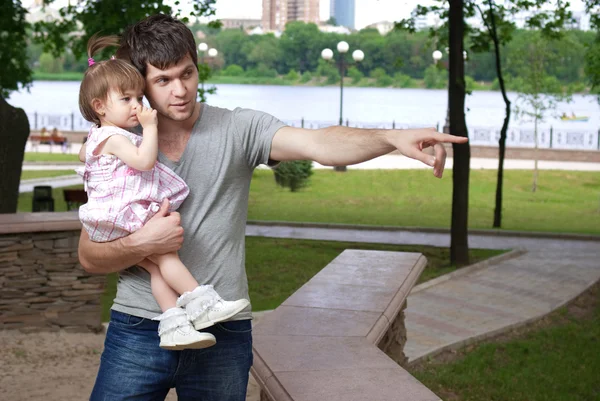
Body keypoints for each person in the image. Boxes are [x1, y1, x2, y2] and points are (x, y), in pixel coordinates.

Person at [78, 14, 468, 401]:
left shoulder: (240, 128)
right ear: (141, 83)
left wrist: (391, 137)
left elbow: (321, 143)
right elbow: (90, 256)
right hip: (139, 326)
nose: (180, 90)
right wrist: (143, 243)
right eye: (163, 80)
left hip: (224, 330)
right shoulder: (117, 146)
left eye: (188, 74)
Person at [77, 34, 249, 352]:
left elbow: (87, 162)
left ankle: (172, 323)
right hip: (124, 217)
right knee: (166, 256)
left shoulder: (95, 137)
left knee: (157, 267)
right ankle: (202, 302)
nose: (137, 107)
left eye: (138, 98)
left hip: (109, 219)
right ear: (99, 106)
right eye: (126, 100)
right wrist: (152, 129)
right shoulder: (115, 138)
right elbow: (143, 163)